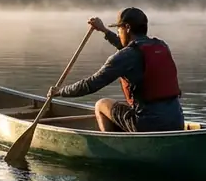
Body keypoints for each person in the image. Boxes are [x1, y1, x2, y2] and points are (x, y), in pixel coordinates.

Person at [48, 7, 184, 133]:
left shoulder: (126, 55)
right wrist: (104, 31)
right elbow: (127, 48)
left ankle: (113, 145)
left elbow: (91, 84)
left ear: (127, 28)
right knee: (130, 106)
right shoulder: (161, 46)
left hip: (148, 125)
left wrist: (61, 91)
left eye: (119, 29)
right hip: (177, 122)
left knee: (101, 105)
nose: (118, 34)